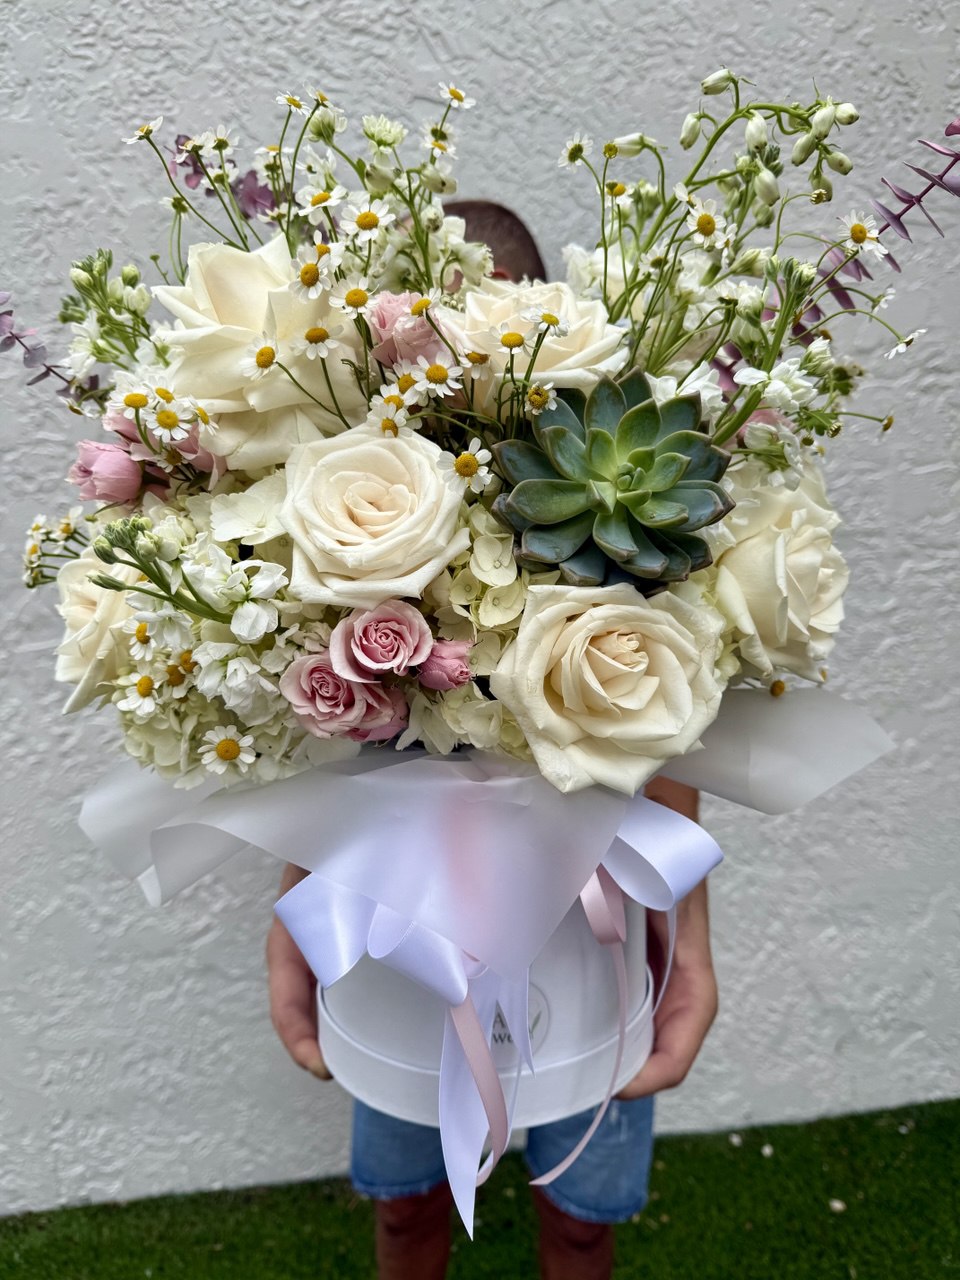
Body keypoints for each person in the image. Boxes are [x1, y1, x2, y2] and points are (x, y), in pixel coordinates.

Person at [267, 775, 717, 1279]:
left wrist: (687, 926)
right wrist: (305, 871)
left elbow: (684, 721)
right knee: (404, 1209)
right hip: (400, 905)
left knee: (583, 1224)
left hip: (595, 888)